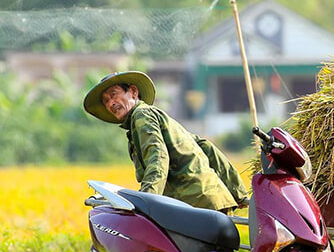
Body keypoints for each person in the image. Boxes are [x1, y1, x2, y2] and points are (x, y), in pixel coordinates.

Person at [83, 71, 249, 213]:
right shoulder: (157, 117)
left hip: (194, 206)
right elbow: (205, 146)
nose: (111, 103)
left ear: (133, 92)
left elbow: (157, 158)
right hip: (212, 200)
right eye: (105, 101)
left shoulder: (141, 116)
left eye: (113, 94)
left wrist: (145, 202)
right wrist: (238, 192)